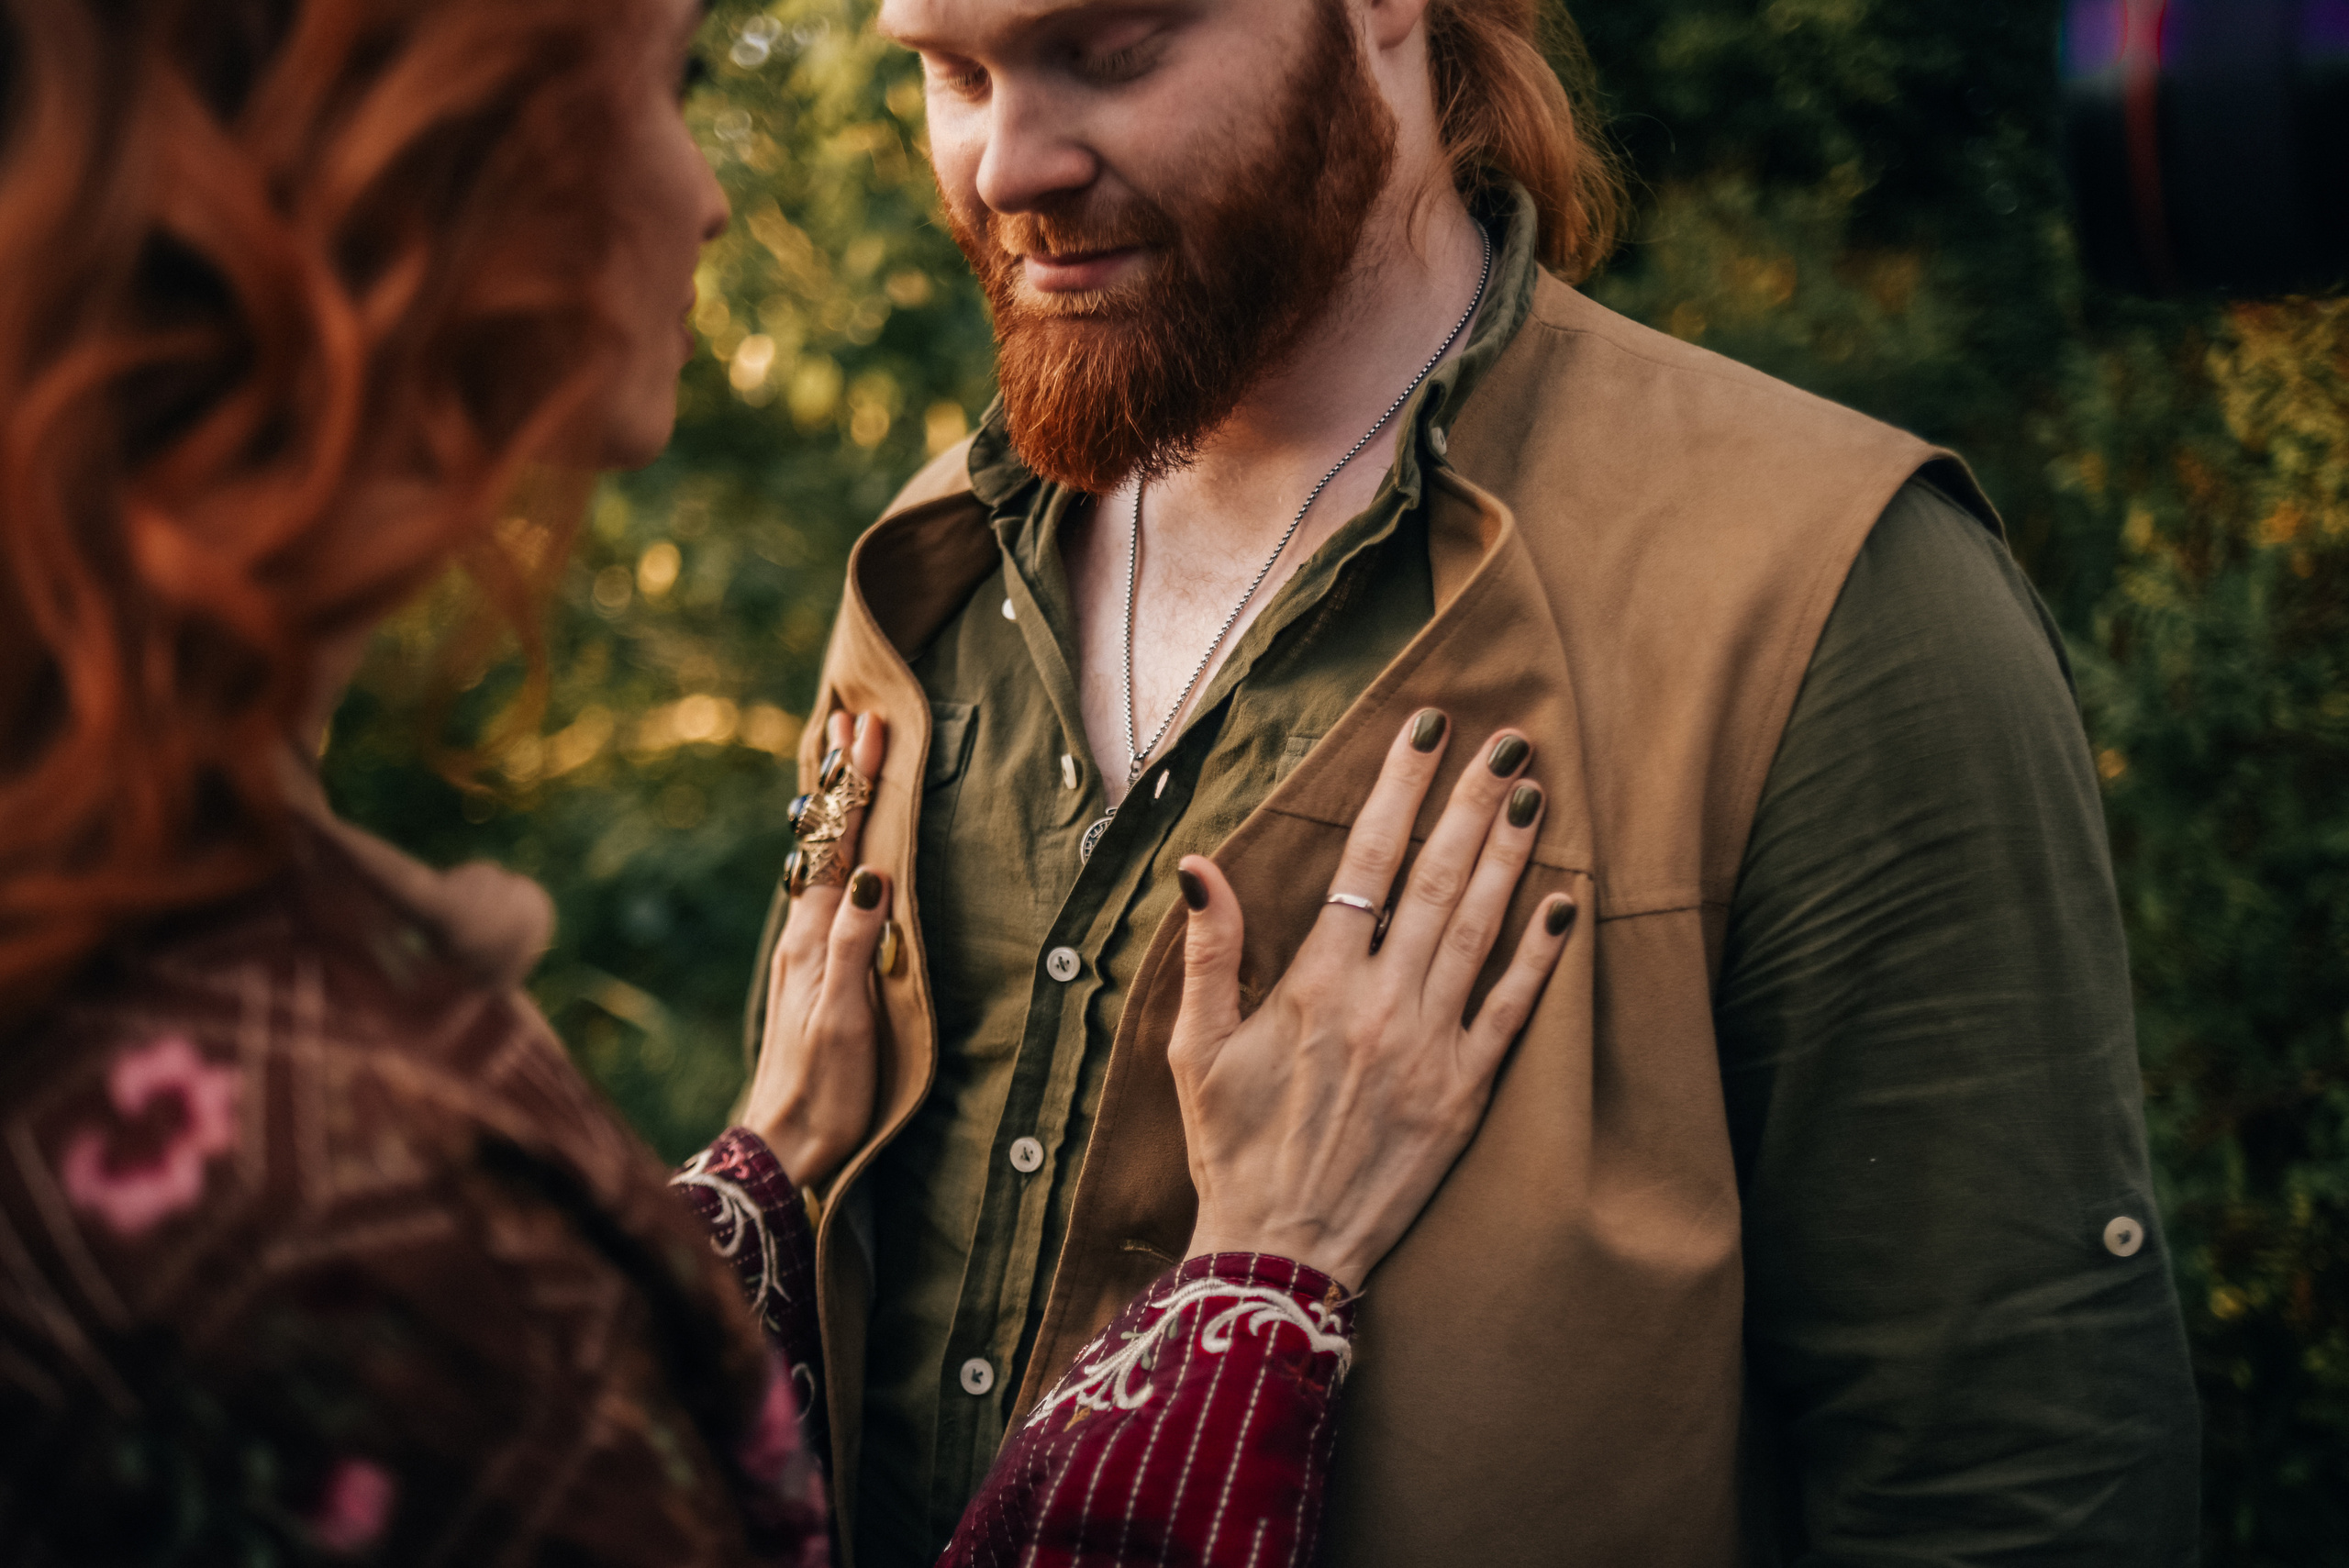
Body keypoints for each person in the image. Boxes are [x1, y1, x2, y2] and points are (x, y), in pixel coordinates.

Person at [0, 0, 1573, 1563]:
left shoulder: (117, 895)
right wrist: (1252, 1287)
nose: (709, 193)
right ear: (407, 182)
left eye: (1112, 50)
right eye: (670, 84)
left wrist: (753, 1189)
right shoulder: (353, 1195)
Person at [750, 0, 2206, 1562]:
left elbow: (2009, 1493)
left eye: (1113, 53)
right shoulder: (930, 580)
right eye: (950, 74)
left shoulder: (1833, 597)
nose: (1008, 164)